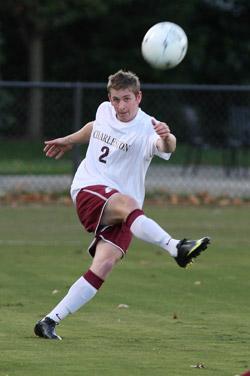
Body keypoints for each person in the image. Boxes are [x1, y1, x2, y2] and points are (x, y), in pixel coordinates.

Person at [34, 69, 210, 340]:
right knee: (127, 203)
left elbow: (168, 147)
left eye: (126, 99)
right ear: (109, 98)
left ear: (138, 97)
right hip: (88, 189)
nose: (120, 106)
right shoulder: (105, 110)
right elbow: (95, 127)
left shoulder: (148, 126)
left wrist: (166, 136)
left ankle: (49, 321)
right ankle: (176, 247)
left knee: (103, 265)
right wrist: (68, 140)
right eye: (115, 99)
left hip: (125, 210)